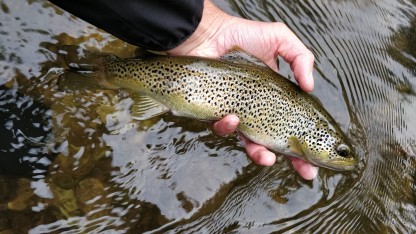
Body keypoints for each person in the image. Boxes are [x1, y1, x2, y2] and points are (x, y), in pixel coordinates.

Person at [49, 0, 318, 180]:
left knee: (126, 77)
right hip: (178, 77)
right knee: (117, 74)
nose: (343, 158)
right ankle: (100, 71)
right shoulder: (299, 141)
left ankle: (80, 65)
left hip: (178, 75)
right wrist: (203, 28)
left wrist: (202, 28)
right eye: (340, 152)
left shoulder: (300, 132)